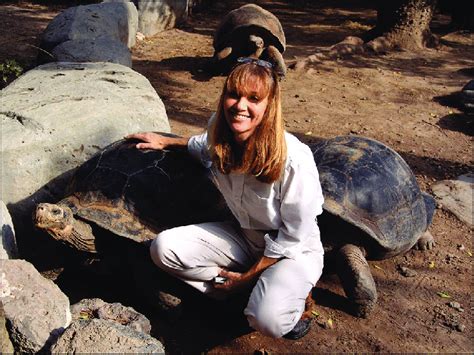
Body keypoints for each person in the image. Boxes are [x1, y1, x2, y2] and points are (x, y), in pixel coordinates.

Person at [126, 57, 325, 340]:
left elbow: (294, 237)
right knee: (163, 249)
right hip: (244, 237)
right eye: (234, 95)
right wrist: (164, 140)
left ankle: (288, 303)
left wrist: (243, 281)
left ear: (269, 106)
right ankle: (233, 290)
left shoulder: (293, 160)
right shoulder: (222, 135)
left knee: (267, 320)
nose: (240, 106)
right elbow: (199, 146)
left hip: (291, 252)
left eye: (253, 99)